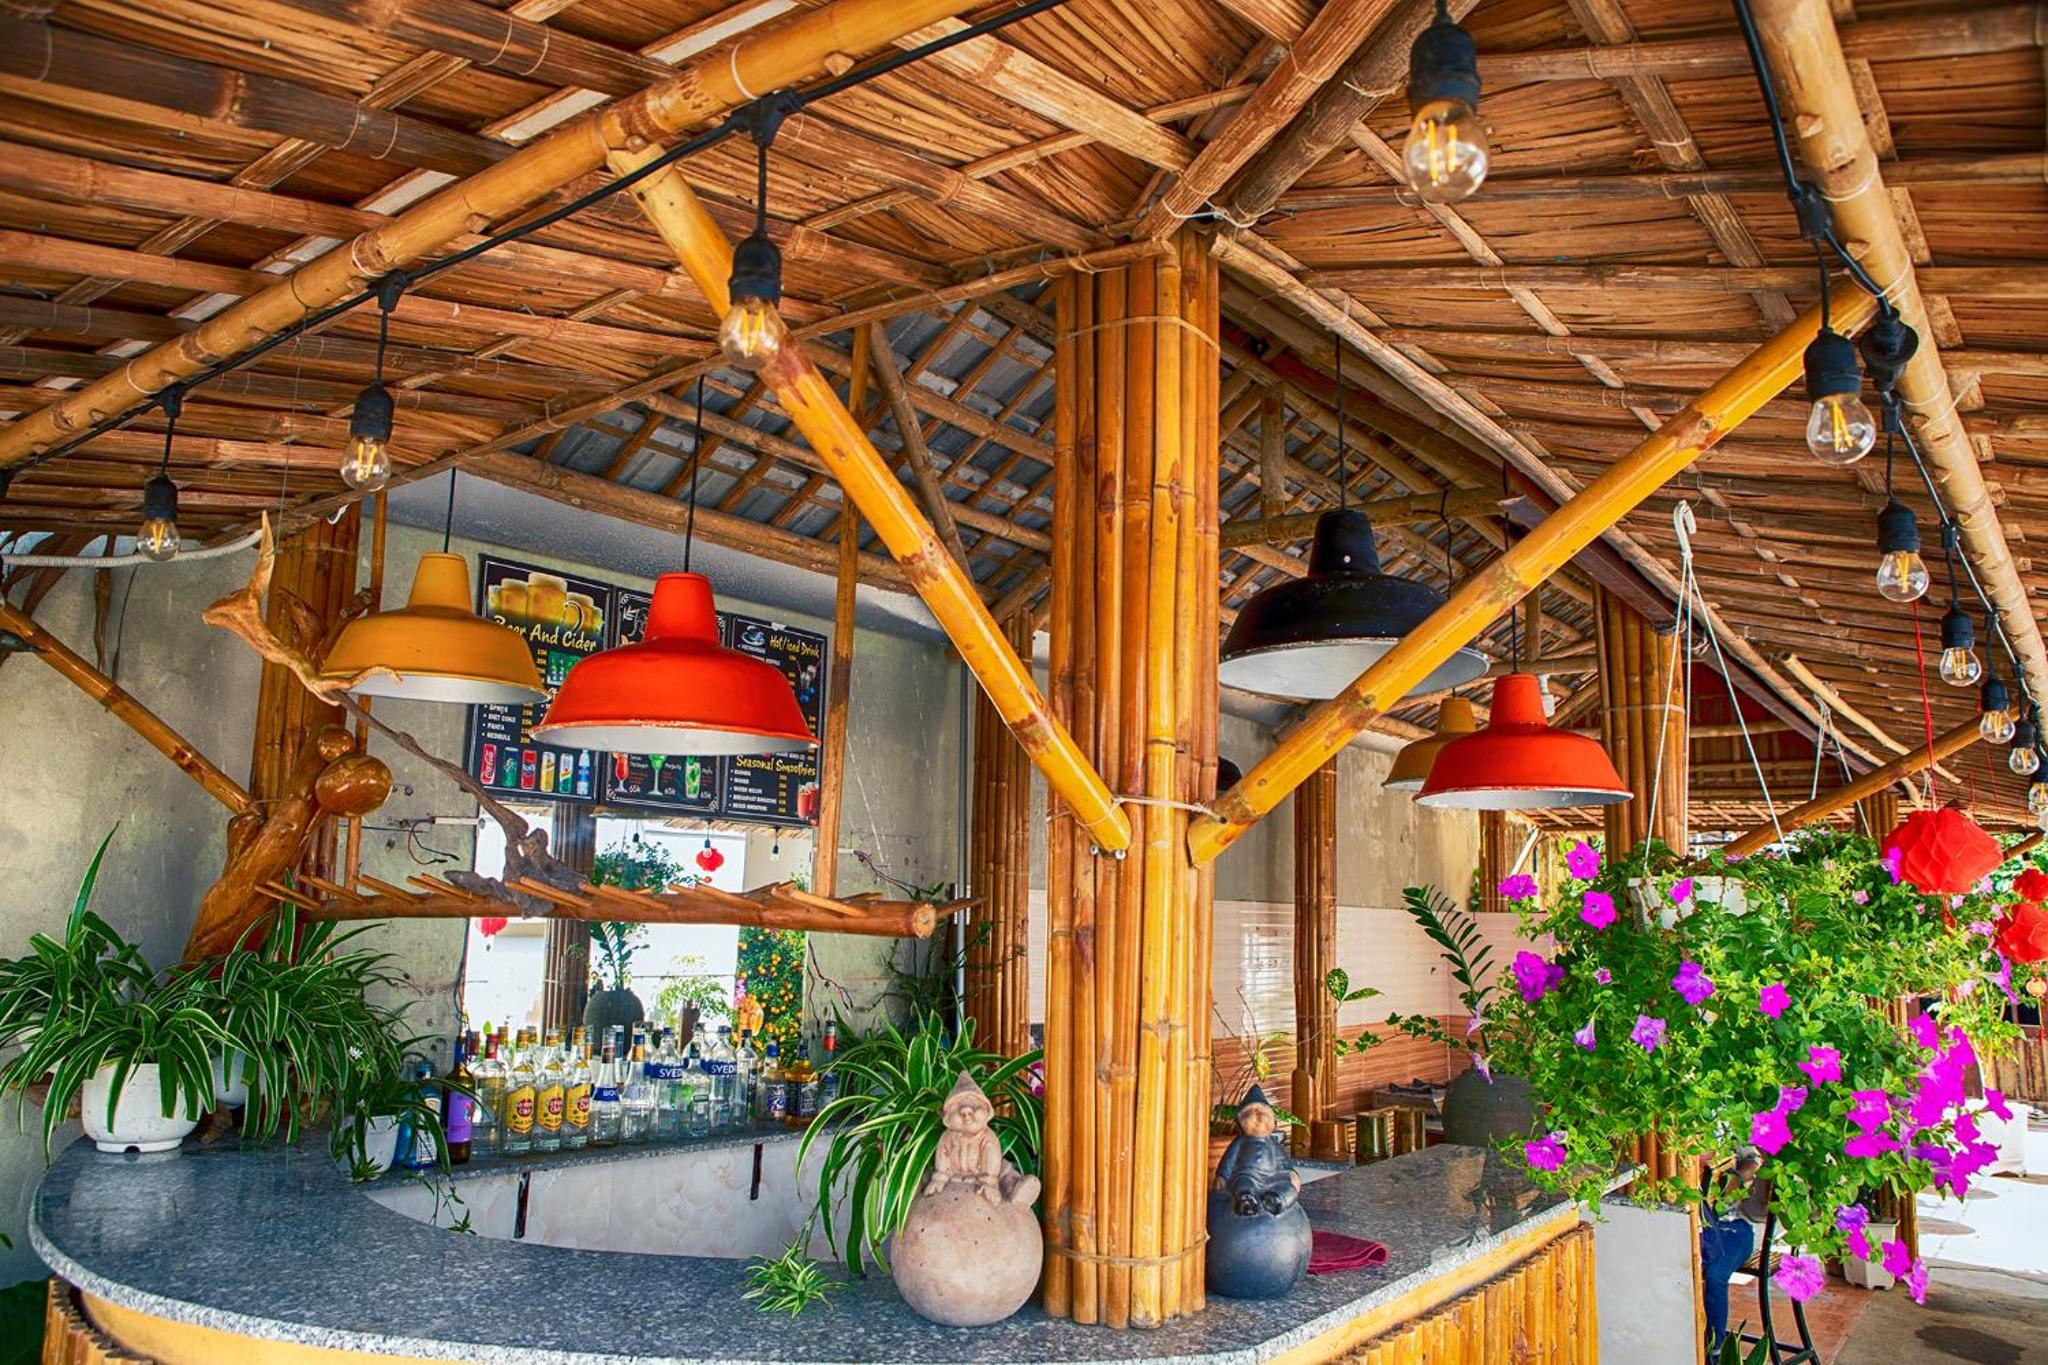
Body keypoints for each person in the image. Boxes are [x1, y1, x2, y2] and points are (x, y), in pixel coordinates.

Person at [1701, 1155, 1762, 1353]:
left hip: (1734, 1226)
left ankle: (1715, 1348)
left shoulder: (1731, 1135)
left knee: (1715, 1274)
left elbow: (1754, 1160)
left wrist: (1732, 1179)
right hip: (1697, 1223)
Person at [1213, 1085, 1301, 1216]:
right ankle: (1247, 1201)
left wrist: (1291, 1173)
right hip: (1247, 1174)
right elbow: (1229, 1160)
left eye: (1264, 1113)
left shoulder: (1273, 1143)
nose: (1260, 1117)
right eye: (1253, 1112)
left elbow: (1283, 1161)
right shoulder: (1240, 1142)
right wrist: (1223, 1176)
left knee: (1289, 1187)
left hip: (1274, 1177)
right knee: (1243, 1183)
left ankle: (1277, 1200)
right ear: (1240, 1120)